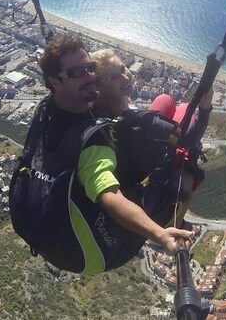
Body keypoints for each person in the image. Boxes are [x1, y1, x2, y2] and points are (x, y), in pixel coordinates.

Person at [12, 34, 195, 274]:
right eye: (77, 73)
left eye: (90, 68)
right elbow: (108, 195)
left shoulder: (46, 109)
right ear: (55, 81)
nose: (89, 76)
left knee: (165, 103)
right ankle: (174, 217)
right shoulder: (91, 139)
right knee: (188, 162)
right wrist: (159, 234)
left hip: (46, 232)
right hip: (92, 252)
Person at [88, 48, 213, 228]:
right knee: (186, 108)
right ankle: (175, 222)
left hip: (130, 166)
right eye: (113, 77)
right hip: (150, 187)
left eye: (123, 69)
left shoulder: (98, 112)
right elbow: (189, 139)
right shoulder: (142, 121)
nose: (124, 77)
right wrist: (205, 109)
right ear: (102, 88)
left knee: (165, 99)